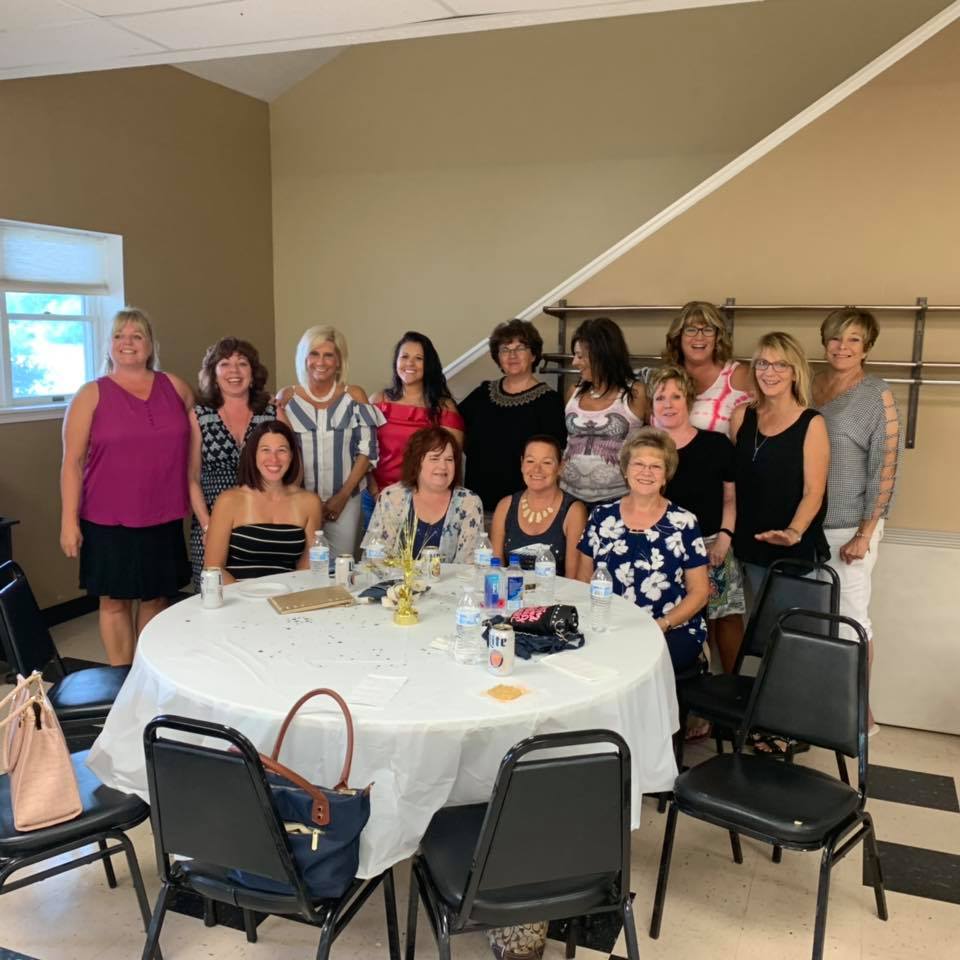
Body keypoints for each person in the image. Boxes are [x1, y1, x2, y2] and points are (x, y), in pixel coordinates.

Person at [59, 307, 193, 665]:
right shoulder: (90, 394)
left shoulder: (175, 387)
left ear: (150, 345)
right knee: (114, 601)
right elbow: (71, 463)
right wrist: (68, 522)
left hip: (163, 514)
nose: (127, 342)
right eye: (119, 336)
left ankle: (144, 671)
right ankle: (122, 674)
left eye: (136, 336)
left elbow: (202, 430)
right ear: (108, 345)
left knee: (156, 597)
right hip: (107, 519)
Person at [813, 307, 901, 735]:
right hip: (807, 525)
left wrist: (865, 533)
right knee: (812, 621)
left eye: (853, 340)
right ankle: (819, 708)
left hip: (849, 528)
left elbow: (885, 467)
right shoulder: (811, 384)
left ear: (866, 348)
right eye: (835, 337)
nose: (842, 347)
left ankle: (859, 716)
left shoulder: (876, 394)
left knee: (851, 622)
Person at [576, 428, 710, 672]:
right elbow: (583, 580)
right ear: (625, 470)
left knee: (632, 664)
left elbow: (700, 592)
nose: (646, 472)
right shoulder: (600, 516)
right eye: (638, 464)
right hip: (608, 626)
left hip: (670, 629)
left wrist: (663, 624)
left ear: (666, 476)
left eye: (656, 466)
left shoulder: (684, 522)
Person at [649, 365, 744, 676]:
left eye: (676, 396)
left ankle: (730, 690)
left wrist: (724, 538)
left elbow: (730, 498)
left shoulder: (716, 445)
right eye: (660, 397)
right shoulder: (648, 450)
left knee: (726, 618)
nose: (668, 404)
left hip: (713, 544)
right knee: (678, 620)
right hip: (663, 550)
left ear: (688, 401)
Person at [730, 332, 830, 607]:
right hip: (749, 544)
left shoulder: (811, 423)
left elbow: (814, 491)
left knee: (792, 627)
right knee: (758, 625)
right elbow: (737, 480)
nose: (769, 372)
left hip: (792, 548)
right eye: (762, 363)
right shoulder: (741, 416)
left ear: (795, 373)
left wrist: (792, 532)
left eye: (780, 365)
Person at [277, 326, 380, 558]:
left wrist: (342, 497)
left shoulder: (355, 396)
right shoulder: (287, 398)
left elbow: (367, 451)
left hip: (346, 501)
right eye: (314, 354)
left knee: (341, 565)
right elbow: (280, 452)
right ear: (304, 358)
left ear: (339, 361)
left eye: (328, 355)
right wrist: (300, 498)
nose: (320, 362)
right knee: (302, 564)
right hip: (298, 499)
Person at [188, 337, 277, 589]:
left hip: (263, 523)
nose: (234, 371)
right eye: (224, 364)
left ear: (253, 373)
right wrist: (208, 525)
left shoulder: (273, 412)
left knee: (266, 592)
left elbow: (293, 468)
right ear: (213, 374)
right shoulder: (199, 415)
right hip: (212, 520)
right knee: (213, 595)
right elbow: (192, 477)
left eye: (242, 363)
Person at [460, 319, 566, 514]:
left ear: (533, 354)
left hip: (525, 508)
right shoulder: (482, 394)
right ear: (498, 357)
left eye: (520, 348)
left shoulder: (549, 402)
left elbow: (553, 458)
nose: (512, 355)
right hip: (478, 503)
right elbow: (454, 428)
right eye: (505, 349)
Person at [203, 421, 322, 582]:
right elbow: (213, 567)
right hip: (236, 593)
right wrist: (246, 595)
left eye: (282, 450)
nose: (274, 459)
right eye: (265, 450)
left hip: (288, 593)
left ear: (292, 456)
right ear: (253, 455)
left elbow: (307, 568)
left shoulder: (309, 502)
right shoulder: (228, 501)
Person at [560, 317, 646, 510]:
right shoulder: (573, 391)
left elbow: (654, 442)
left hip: (617, 499)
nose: (574, 362)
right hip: (569, 497)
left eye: (580, 356)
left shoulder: (636, 393)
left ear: (603, 355)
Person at [362, 427, 482, 563]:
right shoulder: (391, 497)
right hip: (395, 577)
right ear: (416, 463)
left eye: (449, 460)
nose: (443, 466)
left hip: (452, 578)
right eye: (434, 458)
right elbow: (374, 559)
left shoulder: (469, 503)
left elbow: (469, 566)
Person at [369, 331, 464, 497]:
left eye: (418, 358)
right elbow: (363, 452)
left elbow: (452, 462)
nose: (410, 363)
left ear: (428, 365)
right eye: (404, 357)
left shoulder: (444, 408)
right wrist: (375, 491)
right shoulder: (378, 400)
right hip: (377, 495)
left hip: (426, 498)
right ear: (396, 361)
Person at [490, 435, 587, 577]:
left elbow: (573, 580)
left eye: (547, 463)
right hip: (511, 589)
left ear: (560, 467)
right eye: (530, 461)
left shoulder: (574, 511)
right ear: (522, 464)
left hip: (556, 591)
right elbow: (495, 571)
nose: (537, 469)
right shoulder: (505, 506)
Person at [662, 300, 751, 437]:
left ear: (718, 337)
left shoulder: (739, 377)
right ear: (679, 336)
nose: (699, 337)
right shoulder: (664, 377)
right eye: (691, 330)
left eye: (708, 330)